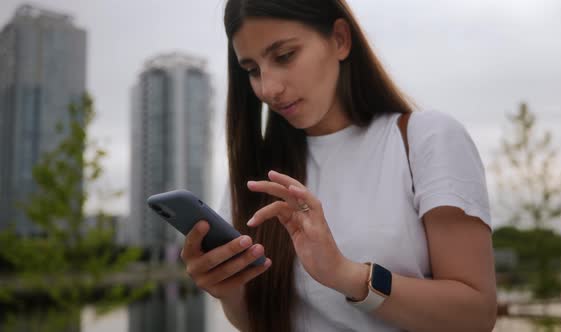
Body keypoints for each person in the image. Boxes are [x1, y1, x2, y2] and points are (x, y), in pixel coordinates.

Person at [180, 0, 497, 331]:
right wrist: (227, 292)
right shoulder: (259, 177)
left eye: (285, 56)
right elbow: (260, 322)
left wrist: (345, 275)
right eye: (252, 70)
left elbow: (475, 315)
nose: (269, 88)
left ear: (340, 40)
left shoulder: (425, 139)